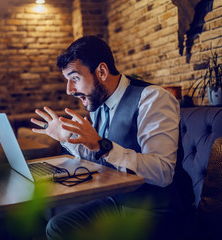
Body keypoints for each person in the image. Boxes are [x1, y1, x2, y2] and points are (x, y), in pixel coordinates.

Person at [30, 36, 180, 239]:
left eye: (74, 78)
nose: (69, 90)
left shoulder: (153, 98)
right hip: (115, 201)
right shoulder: (97, 103)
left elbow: (163, 172)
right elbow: (96, 155)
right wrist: (66, 137)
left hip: (154, 211)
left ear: (101, 72)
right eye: (67, 80)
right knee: (56, 225)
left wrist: (103, 146)